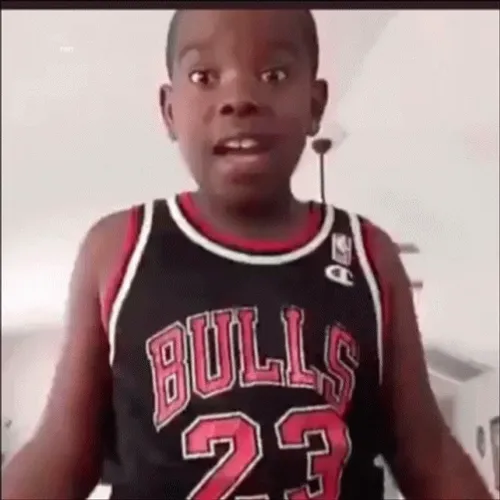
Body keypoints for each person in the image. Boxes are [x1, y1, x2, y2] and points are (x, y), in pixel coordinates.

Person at [1, 9, 492, 500]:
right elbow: (61, 454)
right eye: (204, 76)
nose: (239, 98)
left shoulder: (369, 256)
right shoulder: (117, 250)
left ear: (316, 104)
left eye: (274, 74)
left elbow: (428, 453)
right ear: (169, 110)